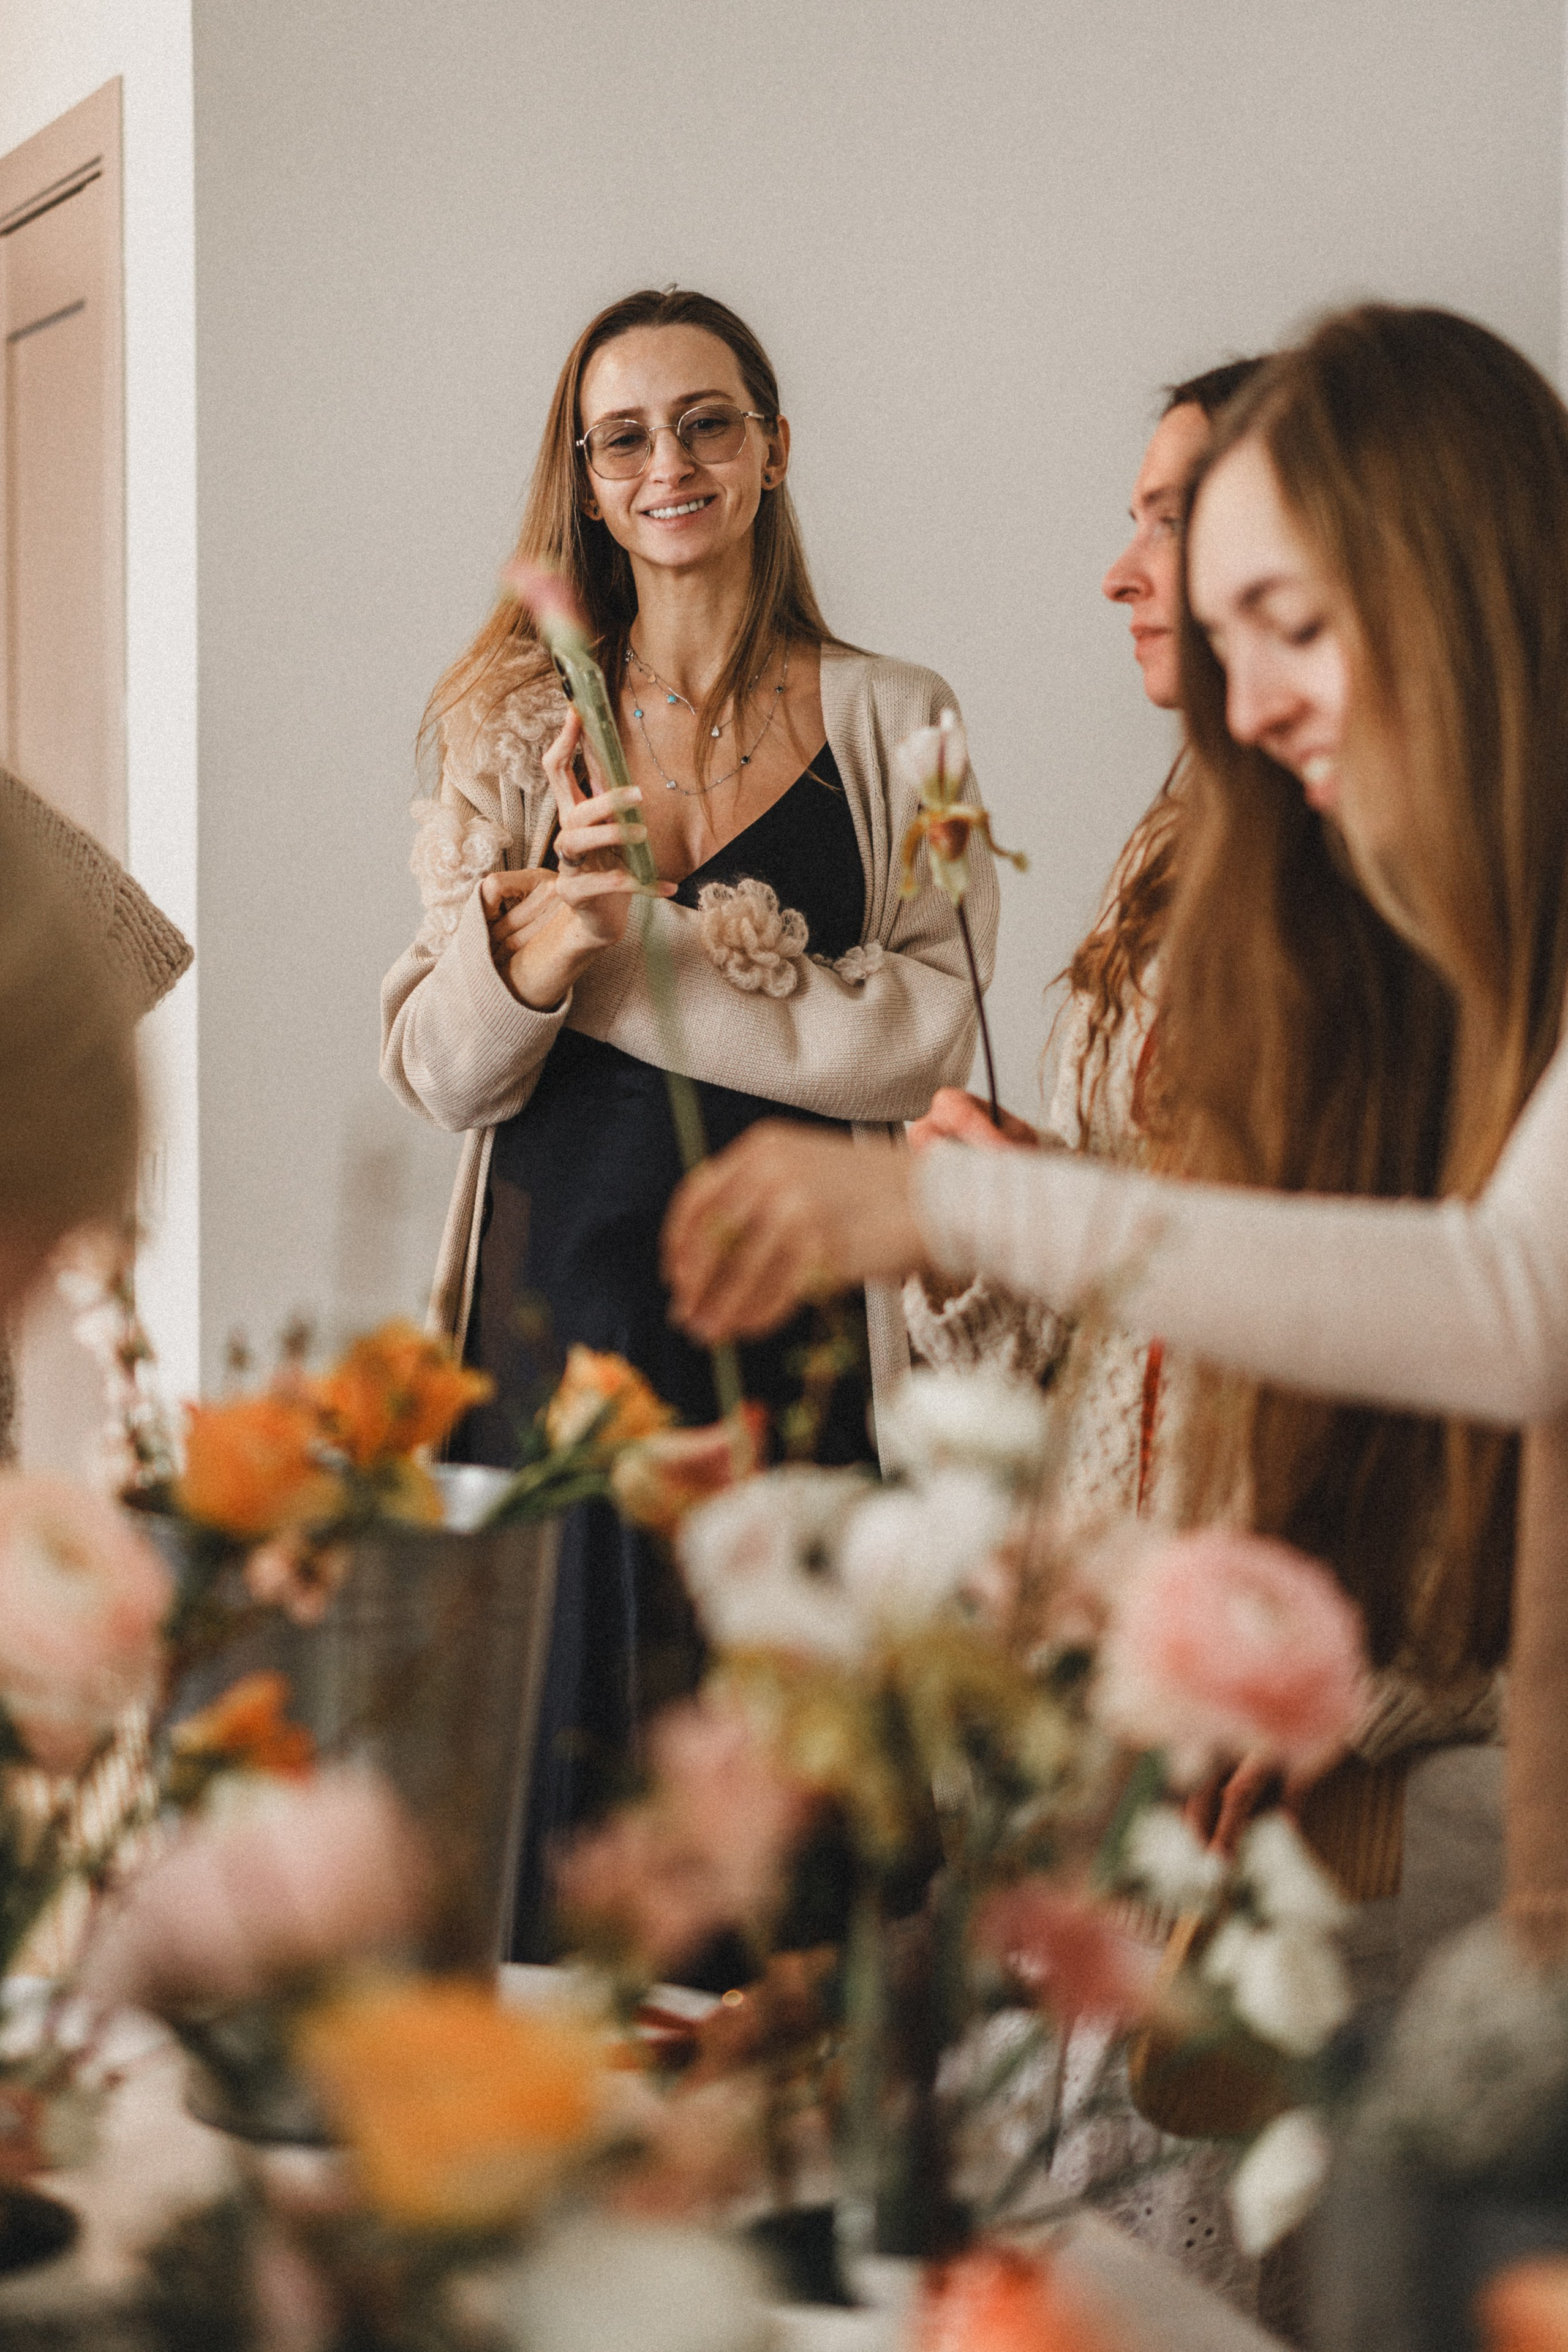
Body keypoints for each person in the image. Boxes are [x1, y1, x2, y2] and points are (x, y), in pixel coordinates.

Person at [661, 302, 1568, 1957]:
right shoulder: (1263, 864)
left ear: (1447, 587)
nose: (1253, 702)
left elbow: (1505, 1307)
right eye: (1226, 631)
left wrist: (966, 1215)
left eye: (1287, 622)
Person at [381, 286, 995, 1958]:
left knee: (793, 1898)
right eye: (625, 438)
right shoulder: (505, 732)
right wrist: (531, 956)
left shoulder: (917, 726)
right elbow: (441, 1070)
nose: (671, 464)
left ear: (774, 448)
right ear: (587, 482)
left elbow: (930, 1027)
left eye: (709, 422)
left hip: (802, 1344)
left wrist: (624, 960)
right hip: (555, 1340)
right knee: (559, 1888)